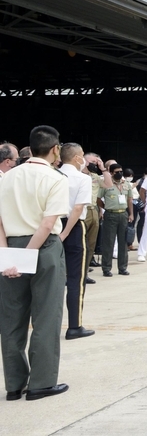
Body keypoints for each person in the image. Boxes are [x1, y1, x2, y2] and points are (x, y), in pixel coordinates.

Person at [0, 125, 70, 400]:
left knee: (12, 318)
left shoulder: (7, 177)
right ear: (55, 149)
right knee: (45, 316)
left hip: (11, 247)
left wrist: (7, 253)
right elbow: (47, 224)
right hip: (42, 249)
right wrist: (28, 255)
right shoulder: (55, 178)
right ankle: (41, 383)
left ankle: (14, 385)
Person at [56, 143, 94, 339]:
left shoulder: (53, 174)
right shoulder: (82, 178)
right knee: (75, 279)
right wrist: (65, 233)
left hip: (51, 224)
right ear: (77, 157)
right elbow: (78, 209)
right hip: (72, 226)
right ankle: (74, 325)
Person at [98, 161, 132, 277]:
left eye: (121, 172)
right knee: (109, 242)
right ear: (111, 173)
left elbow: (130, 200)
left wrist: (131, 214)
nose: (120, 174)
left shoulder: (126, 184)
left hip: (123, 214)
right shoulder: (106, 184)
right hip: (111, 214)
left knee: (123, 242)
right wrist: (105, 208)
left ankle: (122, 267)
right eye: (117, 172)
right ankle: (106, 268)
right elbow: (98, 198)